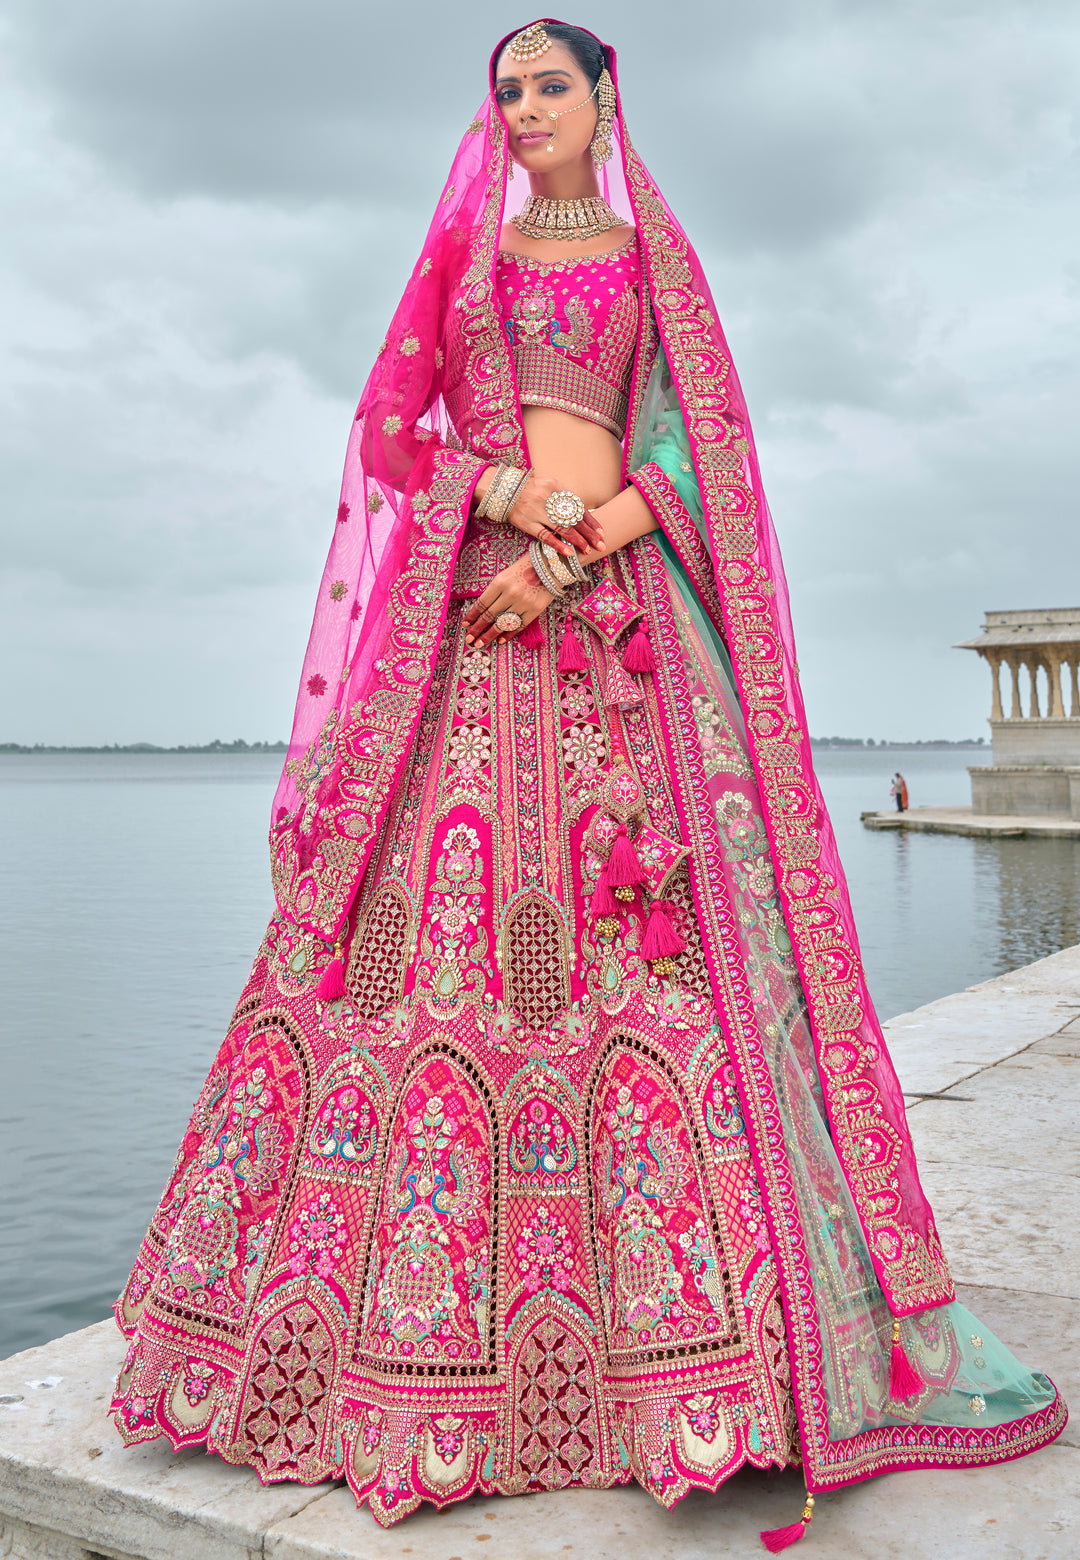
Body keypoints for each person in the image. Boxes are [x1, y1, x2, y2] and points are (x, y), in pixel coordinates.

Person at [109, 19, 1064, 1549]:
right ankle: (397, 1362)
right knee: (434, 963)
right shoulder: (463, 264)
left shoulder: (649, 266)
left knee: (664, 976)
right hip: (471, 635)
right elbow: (385, 430)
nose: (529, 108)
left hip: (619, 639)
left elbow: (703, 463)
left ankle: (702, 1371)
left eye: (553, 85)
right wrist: (497, 501)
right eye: (508, 91)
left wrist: (573, 548)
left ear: (606, 98)